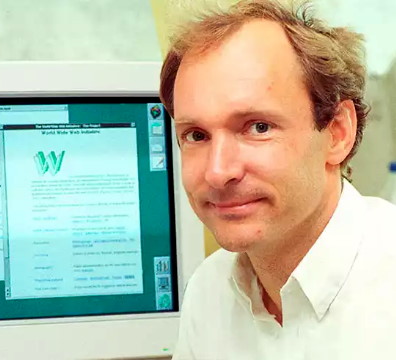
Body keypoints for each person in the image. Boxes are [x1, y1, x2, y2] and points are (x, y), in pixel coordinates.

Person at [159, 0, 396, 358]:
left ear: (337, 132)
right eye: (196, 135)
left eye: (258, 127)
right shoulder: (211, 292)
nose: (218, 172)